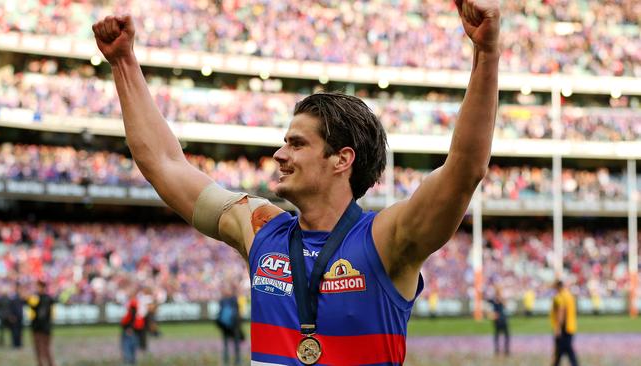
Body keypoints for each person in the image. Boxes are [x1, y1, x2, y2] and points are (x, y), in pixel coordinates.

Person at [92, 0, 500, 363]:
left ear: (342, 160)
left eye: (297, 144)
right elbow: (164, 163)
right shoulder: (258, 228)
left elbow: (464, 169)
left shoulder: (388, 238)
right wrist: (123, 62)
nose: (279, 155)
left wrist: (486, 53)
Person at [27, 280, 57, 366]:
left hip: (44, 327)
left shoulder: (46, 299)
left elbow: (51, 314)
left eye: (38, 286)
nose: (36, 288)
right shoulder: (36, 297)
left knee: (45, 349)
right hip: (37, 327)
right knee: (38, 349)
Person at [550, 280, 579, 366]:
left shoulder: (560, 296)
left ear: (558, 287)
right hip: (570, 325)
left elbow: (561, 311)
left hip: (564, 327)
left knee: (564, 348)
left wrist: (558, 328)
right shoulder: (569, 295)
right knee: (562, 349)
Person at [217, 286, 243, 366]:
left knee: (227, 344)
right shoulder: (233, 299)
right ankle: (236, 360)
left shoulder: (223, 300)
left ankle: (227, 360)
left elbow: (220, 314)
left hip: (226, 325)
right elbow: (238, 312)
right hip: (233, 325)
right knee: (234, 344)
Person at [120, 290, 145, 365]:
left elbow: (128, 319)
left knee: (128, 354)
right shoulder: (138, 304)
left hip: (131, 331)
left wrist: (129, 327)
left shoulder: (133, 304)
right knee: (132, 354)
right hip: (135, 331)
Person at [486, 286, 510, 356]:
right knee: (497, 335)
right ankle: (497, 350)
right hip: (497, 320)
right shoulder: (493, 300)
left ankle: (506, 350)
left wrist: (501, 300)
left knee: (506, 335)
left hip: (503, 319)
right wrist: (491, 315)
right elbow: (487, 306)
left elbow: (505, 305)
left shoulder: (502, 299)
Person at [8, 283, 25, 349]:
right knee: (15, 331)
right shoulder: (13, 297)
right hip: (14, 316)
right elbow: (10, 307)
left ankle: (19, 343)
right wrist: (11, 315)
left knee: (20, 330)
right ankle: (15, 344)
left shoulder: (20, 296)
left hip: (20, 316)